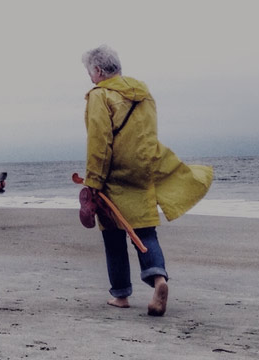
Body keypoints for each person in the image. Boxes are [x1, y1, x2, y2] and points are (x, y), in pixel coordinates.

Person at [80, 45, 213, 316]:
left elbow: (100, 143)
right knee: (145, 231)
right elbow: (147, 134)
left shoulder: (100, 96)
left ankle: (120, 296)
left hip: (114, 175)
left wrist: (93, 182)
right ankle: (159, 281)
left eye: (89, 72)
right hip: (142, 171)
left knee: (114, 236)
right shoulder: (143, 94)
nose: (89, 78)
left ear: (97, 70)